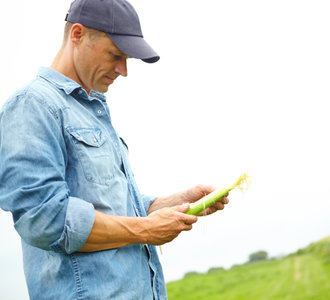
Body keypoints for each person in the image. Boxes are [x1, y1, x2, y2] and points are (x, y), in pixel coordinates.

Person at [0, 0, 228, 299]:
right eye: (115, 55)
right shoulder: (33, 105)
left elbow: (111, 208)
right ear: (77, 34)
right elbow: (43, 218)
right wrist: (147, 229)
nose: (123, 70)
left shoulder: (89, 109)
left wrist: (172, 204)